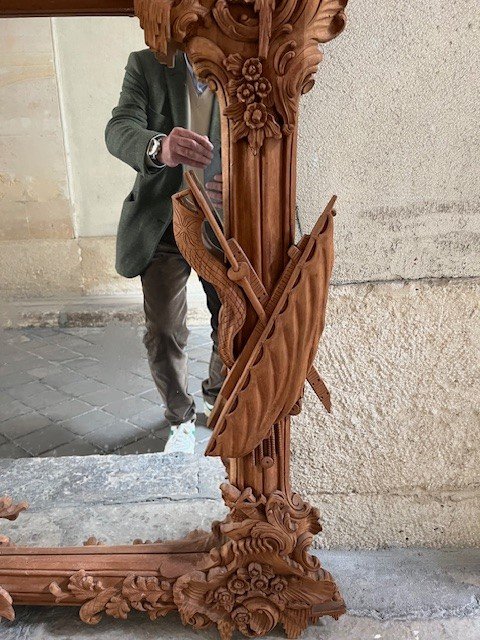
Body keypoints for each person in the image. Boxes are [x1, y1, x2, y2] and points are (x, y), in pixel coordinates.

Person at [105, 49, 224, 455]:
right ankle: (181, 420)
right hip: (162, 224)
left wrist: (244, 184)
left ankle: (218, 394)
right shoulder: (147, 64)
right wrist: (160, 149)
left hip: (224, 225)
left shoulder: (248, 62)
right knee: (163, 332)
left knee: (232, 321)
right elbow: (119, 128)